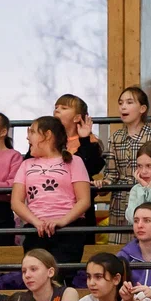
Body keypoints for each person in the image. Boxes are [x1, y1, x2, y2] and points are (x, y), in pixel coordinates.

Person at [12, 116, 91, 281]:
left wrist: (61, 221)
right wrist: (36, 221)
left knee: (61, 277)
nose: (28, 137)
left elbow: (84, 200)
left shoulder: (74, 161)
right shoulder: (26, 164)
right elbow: (16, 201)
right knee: (36, 277)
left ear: (47, 135)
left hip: (68, 230)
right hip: (35, 230)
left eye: (32, 132)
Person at [101, 86, 151, 243]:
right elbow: (111, 174)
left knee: (148, 242)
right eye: (121, 102)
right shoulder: (115, 138)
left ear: (142, 108)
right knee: (120, 248)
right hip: (120, 199)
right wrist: (104, 183)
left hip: (147, 196)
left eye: (129, 102)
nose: (123, 106)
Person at [52, 93, 105, 242]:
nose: (57, 110)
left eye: (63, 107)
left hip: (80, 204)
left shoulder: (90, 141)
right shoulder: (50, 141)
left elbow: (88, 167)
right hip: (52, 201)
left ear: (77, 117)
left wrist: (84, 139)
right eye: (56, 107)